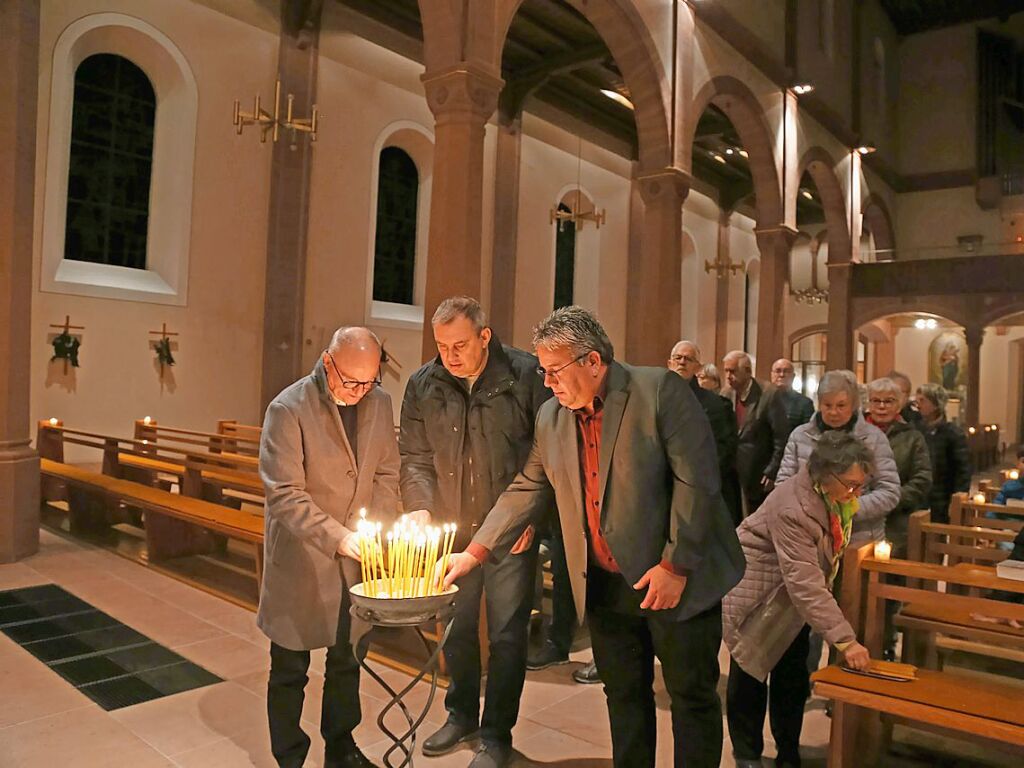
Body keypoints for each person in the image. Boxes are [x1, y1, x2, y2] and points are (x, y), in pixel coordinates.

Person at [444, 306, 745, 768]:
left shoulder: (657, 391)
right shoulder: (551, 417)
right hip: (605, 583)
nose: (547, 382)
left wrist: (675, 566)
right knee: (623, 696)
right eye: (542, 371)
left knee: (691, 697)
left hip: (674, 580)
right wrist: (476, 551)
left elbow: (698, 482)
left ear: (592, 361)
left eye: (554, 370)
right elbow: (528, 485)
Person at [399, 296, 550, 768]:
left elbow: (546, 459)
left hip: (509, 531)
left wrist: (530, 519)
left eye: (460, 344)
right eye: (441, 345)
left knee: (506, 634)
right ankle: (460, 713)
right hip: (453, 532)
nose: (450, 355)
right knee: (456, 626)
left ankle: (496, 733)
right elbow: (415, 457)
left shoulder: (526, 377)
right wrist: (420, 508)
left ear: (485, 336)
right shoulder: (424, 383)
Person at [258, 327, 400, 768]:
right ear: (326, 362)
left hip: (359, 564)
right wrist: (340, 538)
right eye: (349, 381)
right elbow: (285, 494)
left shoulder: (379, 403)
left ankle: (341, 747)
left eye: (369, 381)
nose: (359, 392)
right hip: (303, 559)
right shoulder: (288, 408)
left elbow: (387, 474)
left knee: (347, 661)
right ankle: (289, 756)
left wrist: (384, 525)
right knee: (290, 669)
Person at [723, 431, 872, 768]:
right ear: (824, 473)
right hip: (757, 597)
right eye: (850, 484)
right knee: (749, 672)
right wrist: (846, 641)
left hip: (789, 603)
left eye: (861, 484)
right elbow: (804, 582)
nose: (856, 493)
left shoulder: (834, 498)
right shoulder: (793, 505)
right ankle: (746, 754)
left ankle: (787, 751)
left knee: (791, 678)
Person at [776, 370, 900, 547]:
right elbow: (783, 484)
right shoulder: (800, 436)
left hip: (859, 538)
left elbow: (889, 491)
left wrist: (847, 509)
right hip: (810, 536)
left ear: (853, 405)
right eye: (827, 405)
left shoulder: (874, 438)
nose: (833, 412)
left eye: (841, 405)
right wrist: (810, 509)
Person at [670, 340, 742, 525]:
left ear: (697, 367)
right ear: (669, 363)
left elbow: (723, 450)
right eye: (678, 358)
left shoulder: (716, 405)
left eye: (688, 359)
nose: (682, 362)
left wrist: (696, 481)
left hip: (703, 490)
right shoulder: (655, 400)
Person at [864, 377, 932, 552]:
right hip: (857, 515)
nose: (882, 406)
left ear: (899, 405)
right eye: (876, 401)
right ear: (868, 404)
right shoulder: (855, 433)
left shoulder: (912, 437)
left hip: (896, 519)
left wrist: (888, 499)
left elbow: (922, 479)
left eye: (889, 401)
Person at [723, 350, 791, 515]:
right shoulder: (726, 394)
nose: (728, 376)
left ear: (747, 371)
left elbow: (781, 437)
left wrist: (772, 470)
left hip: (758, 473)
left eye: (733, 371)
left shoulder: (768, 394)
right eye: (726, 371)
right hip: (731, 472)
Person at [915, 383, 971, 524]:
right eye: (917, 400)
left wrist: (957, 499)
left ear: (935, 405)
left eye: (923, 401)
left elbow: (963, 470)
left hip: (942, 497)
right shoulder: (916, 429)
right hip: (919, 496)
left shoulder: (952, 434)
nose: (918, 405)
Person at [770, 358, 815, 432]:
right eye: (778, 371)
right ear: (772, 375)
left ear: (793, 376)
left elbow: (807, 434)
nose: (782, 375)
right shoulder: (761, 400)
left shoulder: (805, 403)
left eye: (786, 371)